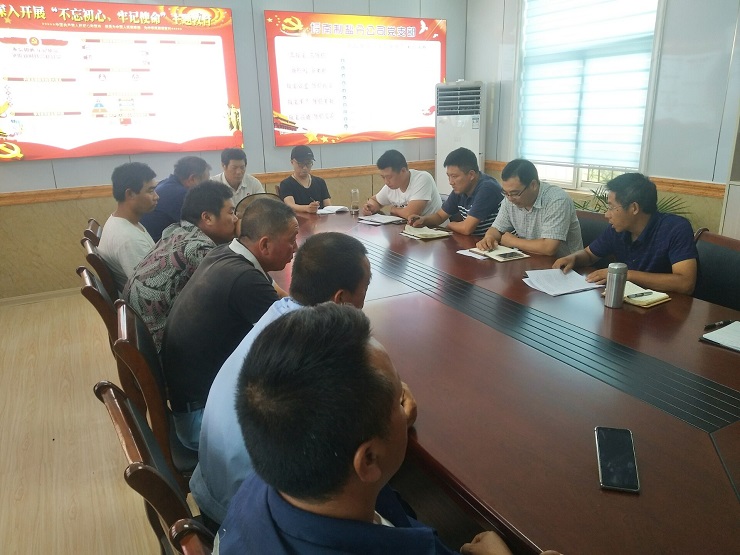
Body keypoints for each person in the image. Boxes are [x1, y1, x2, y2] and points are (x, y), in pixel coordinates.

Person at [216, 304, 517, 555]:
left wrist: (381, 417)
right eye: (398, 399)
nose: (406, 400)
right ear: (369, 459)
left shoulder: (271, 476)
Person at [191, 232, 419, 526]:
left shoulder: (280, 319)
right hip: (247, 510)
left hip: (214, 485)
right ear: (340, 299)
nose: (365, 297)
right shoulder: (322, 352)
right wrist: (393, 410)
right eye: (366, 287)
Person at [162, 196, 298, 450]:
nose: (296, 248)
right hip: (203, 420)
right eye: (292, 240)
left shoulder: (227, 253)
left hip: (190, 405)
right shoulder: (245, 280)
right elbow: (299, 340)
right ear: (265, 245)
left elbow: (281, 297)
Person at [122, 181, 238, 351]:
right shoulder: (198, 250)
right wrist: (246, 238)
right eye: (231, 212)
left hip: (141, 338)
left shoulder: (177, 230)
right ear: (207, 218)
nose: (236, 219)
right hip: (161, 349)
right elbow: (236, 287)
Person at [553, 173, 698, 294]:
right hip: (628, 303)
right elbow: (589, 255)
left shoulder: (675, 228)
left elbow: (685, 283)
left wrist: (626, 275)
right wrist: (573, 258)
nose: (606, 214)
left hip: (668, 309)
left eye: (611, 207)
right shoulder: (618, 229)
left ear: (634, 208)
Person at [476, 159, 582, 257]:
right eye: (506, 193)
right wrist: (489, 238)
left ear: (533, 185)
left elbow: (549, 248)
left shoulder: (557, 200)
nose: (510, 198)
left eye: (515, 193)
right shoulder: (509, 198)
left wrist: (512, 241)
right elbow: (496, 229)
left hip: (565, 265)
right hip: (530, 259)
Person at [408, 147, 503, 236]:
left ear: (471, 175)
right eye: (448, 176)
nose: (450, 182)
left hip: (492, 243)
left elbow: (467, 228)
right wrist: (423, 220)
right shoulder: (461, 189)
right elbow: (440, 216)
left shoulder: (487, 189)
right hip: (473, 241)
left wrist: (450, 225)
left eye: (454, 176)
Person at [98, 162, 158, 292]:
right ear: (130, 194)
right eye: (150, 191)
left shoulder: (121, 221)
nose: (156, 196)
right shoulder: (128, 239)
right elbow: (150, 289)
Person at [140, 156, 211, 242]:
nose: (207, 187)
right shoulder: (182, 195)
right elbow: (205, 228)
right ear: (192, 178)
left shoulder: (165, 184)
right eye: (205, 182)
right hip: (159, 245)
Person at [361, 149, 443, 220]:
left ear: (403, 171)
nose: (386, 181)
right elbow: (375, 200)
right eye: (383, 177)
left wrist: (394, 210)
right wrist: (370, 208)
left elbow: (411, 214)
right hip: (407, 229)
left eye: (389, 177)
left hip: (433, 230)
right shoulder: (392, 185)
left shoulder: (422, 179)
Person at [279, 145, 332, 213]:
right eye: (301, 164)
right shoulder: (286, 184)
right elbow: (290, 206)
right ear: (292, 162)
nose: (305, 168)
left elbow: (328, 205)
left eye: (308, 163)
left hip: (321, 218)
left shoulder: (320, 182)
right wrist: (307, 208)